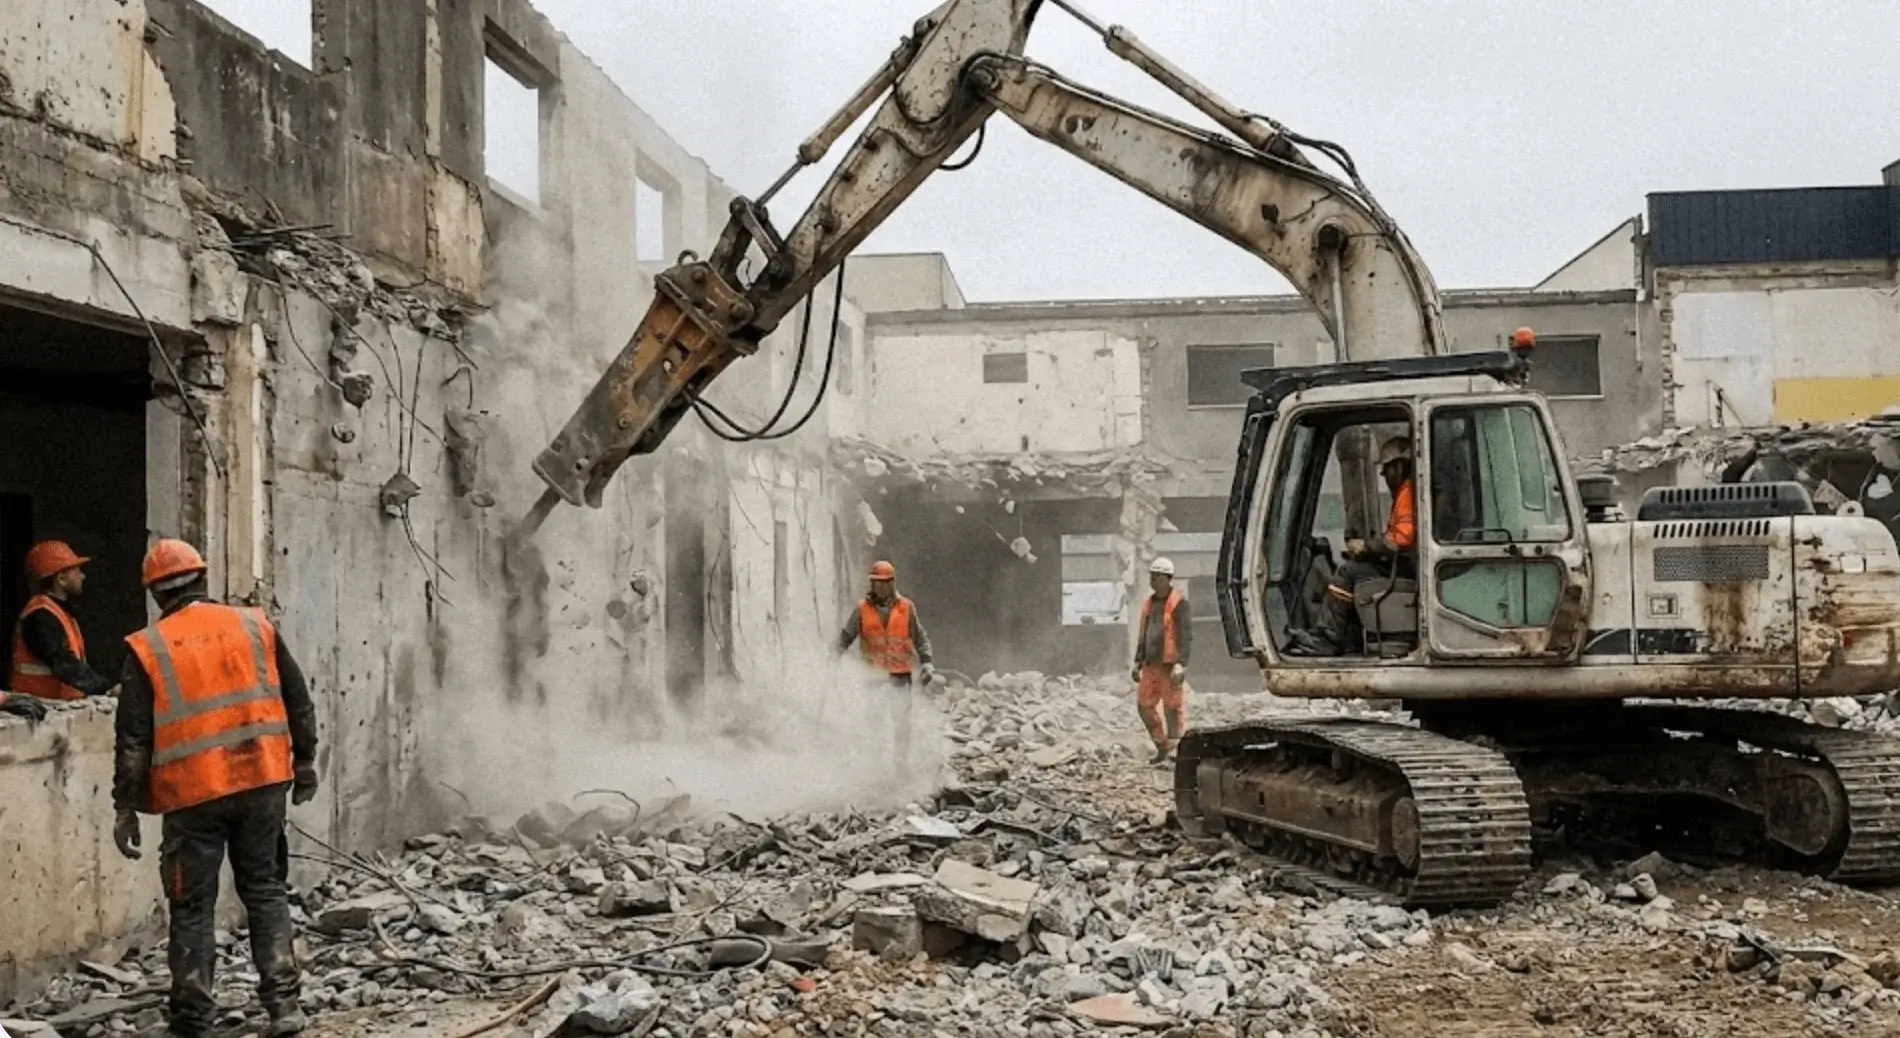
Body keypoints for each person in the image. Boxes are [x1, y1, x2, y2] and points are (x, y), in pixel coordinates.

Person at [111, 539, 321, 1038]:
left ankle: (194, 1020)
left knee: (191, 906)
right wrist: (305, 763)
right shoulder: (255, 625)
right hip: (263, 780)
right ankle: (284, 1008)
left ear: (156, 595)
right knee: (266, 891)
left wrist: (125, 808)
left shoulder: (148, 647)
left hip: (193, 796)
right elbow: (299, 700)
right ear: (202, 579)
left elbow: (133, 741)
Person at [1288, 436, 1417, 657]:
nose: (1384, 476)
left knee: (1348, 571)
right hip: (1400, 563)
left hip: (1402, 567)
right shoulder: (1406, 492)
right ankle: (1349, 636)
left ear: (1398, 466)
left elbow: (1402, 540)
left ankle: (1329, 637)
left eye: (1386, 469)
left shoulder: (1407, 492)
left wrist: (1366, 546)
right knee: (1355, 566)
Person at [837, 560, 934, 771]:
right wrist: (834, 655)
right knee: (874, 722)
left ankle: (900, 765)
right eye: (876, 582)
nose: (880, 587)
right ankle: (875, 768)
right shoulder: (862, 609)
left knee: (901, 724)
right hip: (874, 677)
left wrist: (927, 662)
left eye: (884, 583)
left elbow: (921, 637)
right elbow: (846, 636)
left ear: (892, 583)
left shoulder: (906, 607)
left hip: (900, 674)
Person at [9, 540, 115, 701]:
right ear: (61, 578)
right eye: (77, 570)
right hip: (40, 710)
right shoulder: (40, 617)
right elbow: (63, 663)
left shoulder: (58, 612)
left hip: (51, 708)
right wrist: (106, 689)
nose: (83, 576)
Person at [1131, 556, 1191, 764]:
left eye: (1157, 577)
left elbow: (1185, 635)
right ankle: (1162, 745)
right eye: (1152, 577)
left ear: (1167, 579)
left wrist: (1181, 663)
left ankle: (1175, 750)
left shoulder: (1179, 604)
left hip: (1169, 664)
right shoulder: (1149, 604)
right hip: (1150, 664)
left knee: (1172, 707)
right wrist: (1137, 661)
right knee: (1144, 705)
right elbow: (1144, 634)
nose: (1153, 581)